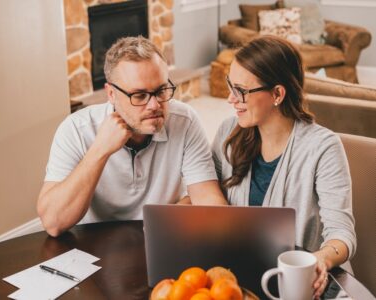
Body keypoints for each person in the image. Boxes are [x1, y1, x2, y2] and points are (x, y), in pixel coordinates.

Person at [37, 36, 226, 237]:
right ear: (111, 94)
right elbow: (53, 223)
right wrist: (99, 150)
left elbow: (208, 200)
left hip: (162, 235)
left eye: (161, 90)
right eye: (139, 95)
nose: (154, 105)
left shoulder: (185, 121)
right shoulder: (76, 128)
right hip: (92, 246)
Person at [212, 36, 356, 299]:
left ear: (277, 94)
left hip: (302, 287)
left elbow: (342, 234)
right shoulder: (227, 134)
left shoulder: (323, 147)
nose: (231, 99)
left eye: (241, 90)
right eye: (230, 86)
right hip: (241, 281)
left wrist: (321, 259)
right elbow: (206, 202)